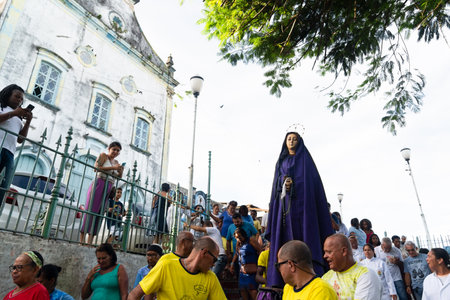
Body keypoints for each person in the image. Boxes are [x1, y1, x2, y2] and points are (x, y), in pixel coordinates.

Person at [266, 132, 334, 288]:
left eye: (294, 139)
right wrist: (284, 184)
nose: (291, 141)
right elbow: (276, 183)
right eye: (289, 139)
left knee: (305, 236)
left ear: (299, 141)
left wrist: (296, 184)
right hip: (285, 208)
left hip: (303, 208)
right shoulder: (281, 161)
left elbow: (311, 183)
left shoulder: (305, 160)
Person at [128, 236, 227, 300]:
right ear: (204, 253)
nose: (214, 265)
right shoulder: (167, 265)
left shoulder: (211, 278)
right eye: (214, 260)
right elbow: (135, 294)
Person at [80, 142, 124, 245]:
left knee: (100, 213)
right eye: (114, 149)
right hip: (99, 183)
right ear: (109, 148)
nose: (116, 152)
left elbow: (118, 177)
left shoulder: (116, 162)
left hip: (109, 187)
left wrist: (120, 170)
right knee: (91, 210)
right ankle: (82, 240)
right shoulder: (103, 156)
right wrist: (113, 168)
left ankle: (90, 242)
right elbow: (96, 167)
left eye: (118, 150)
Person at [0, 84, 33, 205]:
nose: (19, 100)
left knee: (4, 186)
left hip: (10, 152)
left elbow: (20, 139)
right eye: (17, 96)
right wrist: (13, 113)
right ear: (8, 95)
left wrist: (28, 122)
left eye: (21, 99)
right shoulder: (2, 107)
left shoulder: (18, 117)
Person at [322, 234, 382, 299]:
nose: (324, 256)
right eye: (325, 252)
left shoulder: (366, 275)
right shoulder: (325, 277)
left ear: (344, 251)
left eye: (329, 252)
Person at [230, 228, 260, 300]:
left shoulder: (251, 240)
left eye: (239, 236)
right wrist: (232, 264)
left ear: (243, 234)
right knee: (243, 290)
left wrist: (260, 265)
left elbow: (260, 250)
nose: (238, 239)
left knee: (253, 292)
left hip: (251, 272)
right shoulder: (239, 243)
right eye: (236, 237)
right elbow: (236, 254)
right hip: (242, 272)